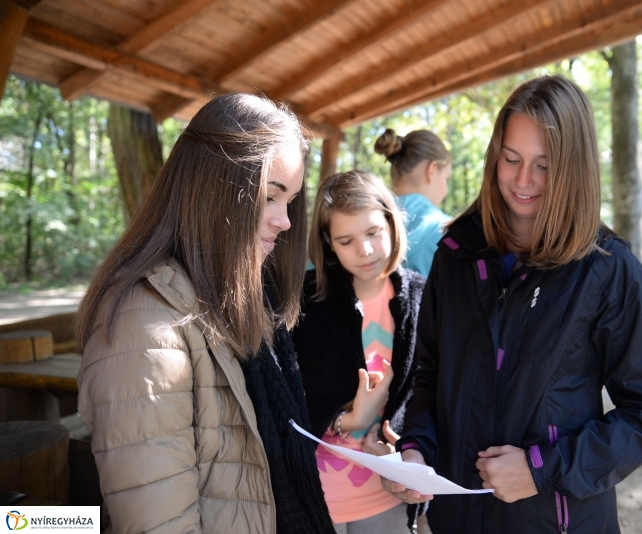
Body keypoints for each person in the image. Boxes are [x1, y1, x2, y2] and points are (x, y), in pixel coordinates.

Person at [383, 75, 642, 534]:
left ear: (573, 169)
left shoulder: (609, 269)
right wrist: (417, 449)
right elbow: (430, 375)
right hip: (457, 517)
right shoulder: (455, 254)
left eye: (544, 166)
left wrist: (544, 468)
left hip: (557, 521)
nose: (523, 181)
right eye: (511, 159)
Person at [75, 93, 335, 534]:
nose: (285, 220)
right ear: (216, 188)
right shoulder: (144, 325)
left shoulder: (248, 302)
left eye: (289, 201)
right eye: (271, 197)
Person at [292, 170, 427, 534]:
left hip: (387, 499)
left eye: (373, 233)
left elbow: (429, 393)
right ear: (328, 243)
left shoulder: (423, 299)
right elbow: (289, 397)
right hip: (314, 498)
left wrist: (400, 442)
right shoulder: (304, 303)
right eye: (346, 240)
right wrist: (346, 420)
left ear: (391, 222)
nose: (364, 250)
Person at [374, 129, 452, 277]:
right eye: (447, 178)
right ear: (432, 169)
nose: (446, 190)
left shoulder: (357, 222)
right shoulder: (447, 232)